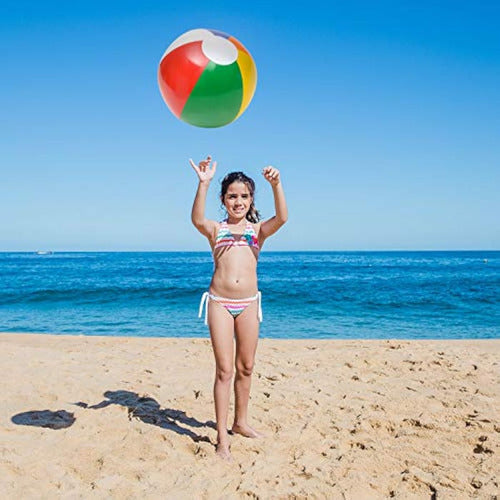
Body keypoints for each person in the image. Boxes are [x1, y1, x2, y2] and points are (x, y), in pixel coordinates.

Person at [189, 155, 288, 460]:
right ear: (224, 199)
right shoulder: (215, 229)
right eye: (232, 196)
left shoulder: (257, 231)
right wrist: (203, 183)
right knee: (225, 370)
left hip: (249, 304)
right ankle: (221, 438)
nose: (238, 201)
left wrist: (277, 184)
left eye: (244, 196)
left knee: (246, 367)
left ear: (251, 199)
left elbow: (282, 218)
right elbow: (196, 219)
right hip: (219, 302)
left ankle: (240, 422)